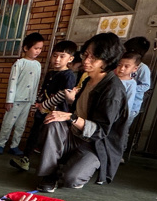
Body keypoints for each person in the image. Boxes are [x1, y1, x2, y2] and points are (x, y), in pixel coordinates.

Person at [36, 32, 130, 191]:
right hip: (74, 135)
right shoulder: (88, 80)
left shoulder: (112, 90)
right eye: (86, 55)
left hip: (94, 144)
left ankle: (74, 166)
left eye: (94, 58)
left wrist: (71, 117)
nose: (86, 61)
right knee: (52, 122)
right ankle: (49, 175)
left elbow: (101, 132)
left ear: (107, 61)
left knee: (71, 179)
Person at [14, 39, 78, 169]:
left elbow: (63, 94)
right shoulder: (50, 73)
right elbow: (42, 91)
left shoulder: (69, 75)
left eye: (62, 56)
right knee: (34, 134)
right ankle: (25, 159)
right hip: (42, 112)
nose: (57, 59)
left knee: (50, 140)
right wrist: (36, 105)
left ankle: (51, 167)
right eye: (55, 55)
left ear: (70, 59)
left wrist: (44, 105)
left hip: (56, 115)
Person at [0, 32, 45, 156]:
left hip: (28, 102)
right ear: (26, 48)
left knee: (21, 125)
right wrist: (9, 100)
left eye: (40, 49)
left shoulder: (38, 65)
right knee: (8, 123)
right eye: (35, 48)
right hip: (16, 100)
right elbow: (12, 82)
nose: (38, 51)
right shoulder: (19, 63)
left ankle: (14, 146)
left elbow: (36, 84)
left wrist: (33, 102)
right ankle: (0, 144)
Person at [124, 36, 151, 128]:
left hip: (132, 105)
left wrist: (130, 88)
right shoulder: (123, 65)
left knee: (122, 129)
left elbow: (146, 85)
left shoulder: (143, 68)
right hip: (122, 102)